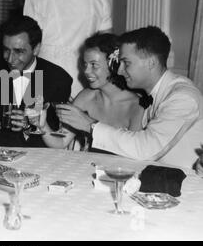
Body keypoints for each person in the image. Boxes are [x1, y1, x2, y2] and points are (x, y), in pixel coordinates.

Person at [59, 26, 203, 170]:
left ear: (151, 63)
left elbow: (146, 148)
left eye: (126, 63)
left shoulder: (182, 98)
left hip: (188, 184)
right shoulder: (151, 94)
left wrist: (90, 126)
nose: (120, 71)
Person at [23, 0, 112, 97]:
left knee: (39, 118)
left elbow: (28, 45)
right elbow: (107, 44)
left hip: (45, 80)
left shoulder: (37, 0)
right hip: (86, 79)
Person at [41, 33, 144, 150]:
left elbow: (134, 151)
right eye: (85, 64)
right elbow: (61, 142)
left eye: (94, 65)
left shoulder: (136, 106)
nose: (86, 71)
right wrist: (42, 125)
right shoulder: (86, 97)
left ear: (114, 65)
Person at [0, 15, 72, 148]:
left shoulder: (58, 79)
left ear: (36, 49)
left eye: (18, 51)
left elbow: (59, 137)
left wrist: (29, 123)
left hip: (39, 155)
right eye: (6, 50)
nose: (10, 59)